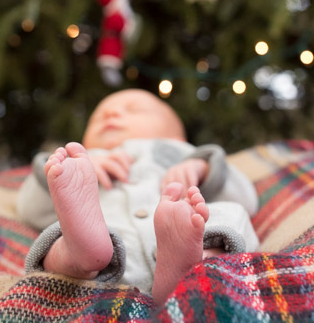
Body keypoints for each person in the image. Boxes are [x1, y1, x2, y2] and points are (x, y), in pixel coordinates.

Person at [17, 89, 259, 306]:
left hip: (191, 236)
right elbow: (30, 209)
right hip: (112, 259)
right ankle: (79, 255)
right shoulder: (84, 162)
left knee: (232, 214)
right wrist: (63, 169)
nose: (111, 115)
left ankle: (198, 261)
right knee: (59, 234)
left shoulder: (180, 153)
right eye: (99, 116)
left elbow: (246, 199)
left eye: (133, 110)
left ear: (175, 135)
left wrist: (203, 169)